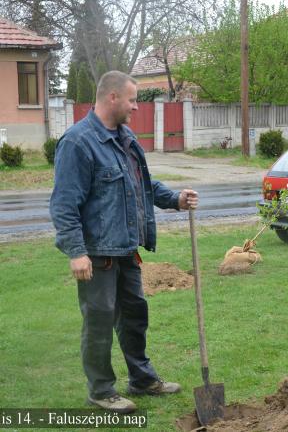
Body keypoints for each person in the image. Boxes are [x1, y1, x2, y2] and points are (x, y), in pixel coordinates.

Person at [50, 71, 198, 414]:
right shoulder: (78, 143)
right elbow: (64, 204)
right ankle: (101, 390)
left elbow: (142, 186)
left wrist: (175, 198)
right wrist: (76, 252)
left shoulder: (125, 137)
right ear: (112, 97)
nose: (135, 106)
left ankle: (142, 379)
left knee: (135, 316)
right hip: (97, 255)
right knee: (99, 321)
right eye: (132, 100)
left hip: (127, 248)